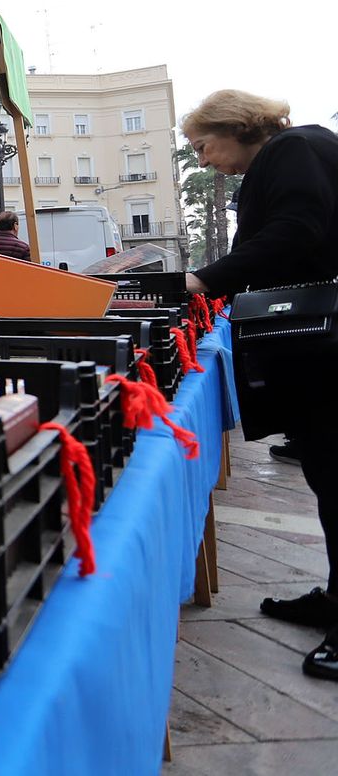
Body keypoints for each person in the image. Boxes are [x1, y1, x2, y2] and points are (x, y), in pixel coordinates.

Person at [180, 89, 338, 680]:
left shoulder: (292, 148)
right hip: (323, 347)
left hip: (329, 347)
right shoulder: (302, 147)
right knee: (327, 475)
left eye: (202, 145)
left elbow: (295, 232)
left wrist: (201, 278)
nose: (201, 159)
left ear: (233, 126)